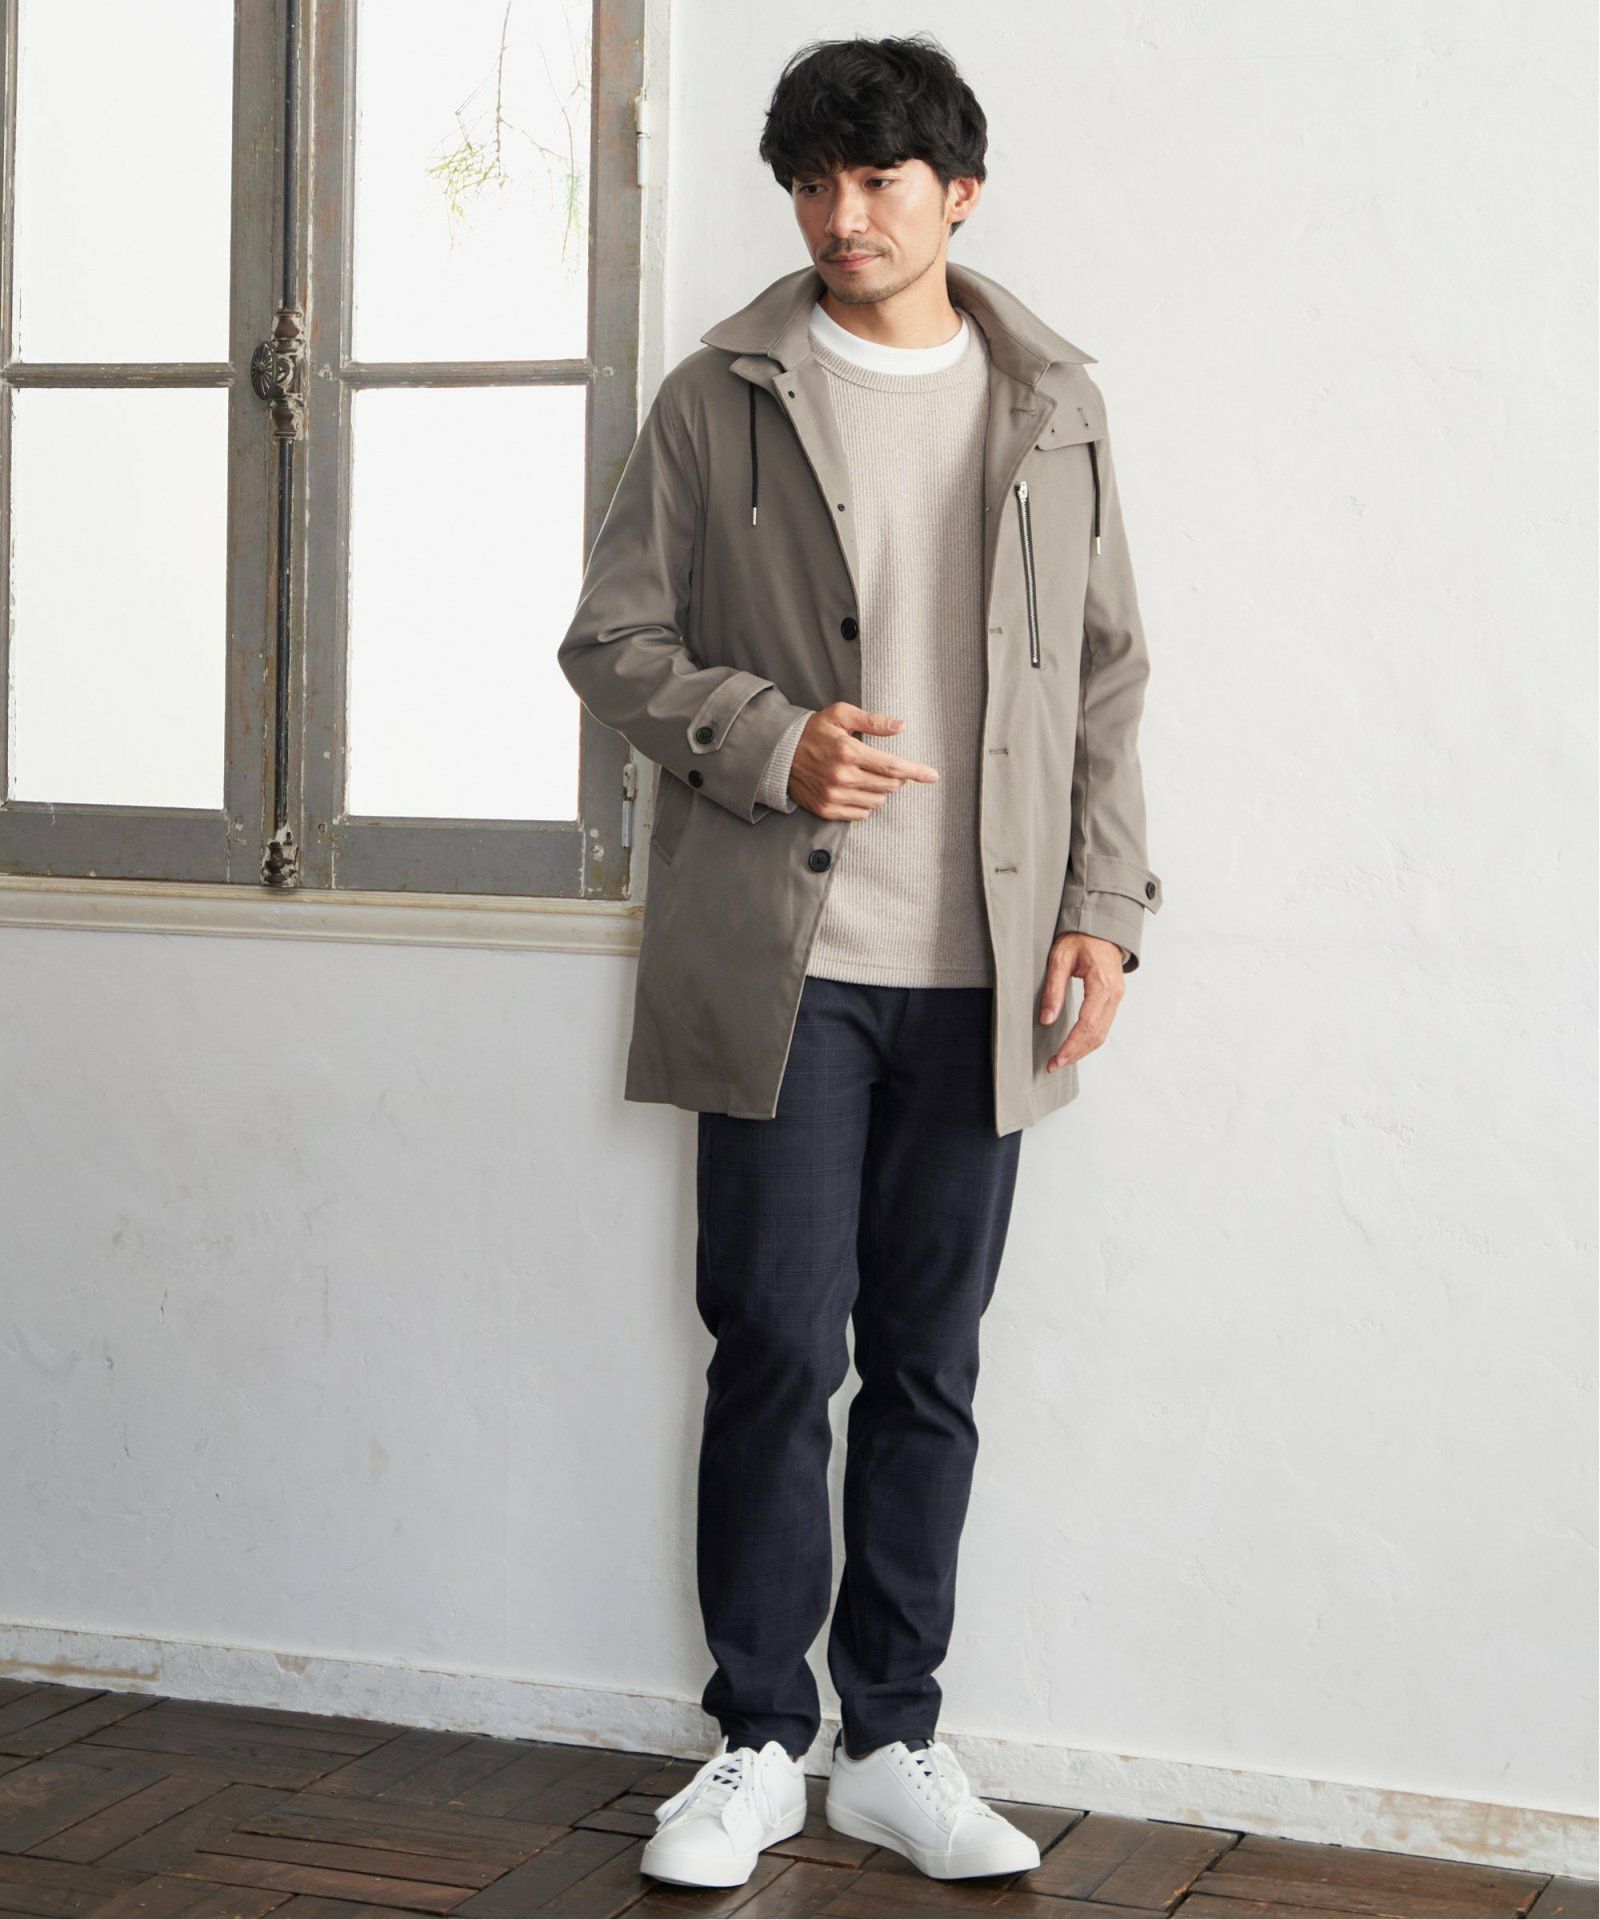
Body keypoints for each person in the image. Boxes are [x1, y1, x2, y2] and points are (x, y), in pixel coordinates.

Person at [557, 31, 1162, 1891]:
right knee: (771, 1347)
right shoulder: (718, 395)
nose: (841, 215)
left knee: (927, 1362)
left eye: (879, 180)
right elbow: (611, 641)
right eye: (813, 183)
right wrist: (773, 740)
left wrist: (1107, 903)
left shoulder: (1055, 402)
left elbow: (1107, 672)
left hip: (988, 970)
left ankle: (893, 1742)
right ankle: (756, 1740)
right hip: (787, 966)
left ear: (957, 193)